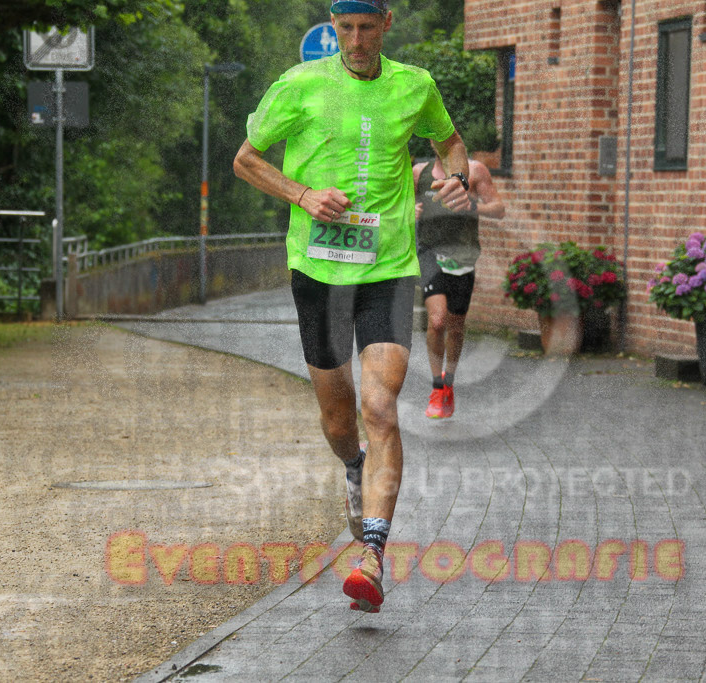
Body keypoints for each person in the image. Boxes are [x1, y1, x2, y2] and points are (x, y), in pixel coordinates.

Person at [232, 0, 471, 613]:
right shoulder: (300, 84)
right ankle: (353, 467)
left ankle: (372, 555)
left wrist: (457, 178)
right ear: (334, 26)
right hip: (318, 271)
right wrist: (303, 194)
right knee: (340, 421)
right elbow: (246, 160)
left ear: (386, 24)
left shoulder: (415, 85)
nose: (357, 40)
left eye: (367, 28)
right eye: (346, 29)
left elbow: (450, 142)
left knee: (380, 408)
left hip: (387, 270)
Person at [413, 153, 505, 418]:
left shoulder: (475, 171)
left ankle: (448, 383)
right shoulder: (419, 172)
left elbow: (499, 208)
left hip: (463, 257)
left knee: (455, 326)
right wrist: (409, 211)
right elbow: (398, 205)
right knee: (437, 321)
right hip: (429, 253)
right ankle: (436, 387)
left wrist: (472, 206)